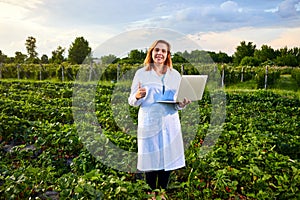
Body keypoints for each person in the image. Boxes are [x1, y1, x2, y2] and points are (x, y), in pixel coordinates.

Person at [128, 40, 191, 199]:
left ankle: (162, 192)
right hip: (149, 120)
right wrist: (137, 96)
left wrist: (182, 103)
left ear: (167, 55)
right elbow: (132, 100)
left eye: (163, 51)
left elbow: (177, 101)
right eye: (157, 50)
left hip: (169, 121)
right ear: (151, 52)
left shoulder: (175, 74)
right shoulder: (141, 73)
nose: (159, 53)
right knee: (150, 157)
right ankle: (151, 193)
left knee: (167, 157)